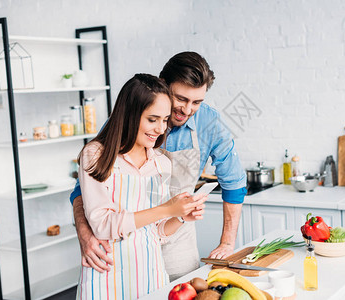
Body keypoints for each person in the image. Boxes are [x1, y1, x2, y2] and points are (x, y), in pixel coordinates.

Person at [71, 52, 247, 280]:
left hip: (175, 239)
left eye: (196, 102)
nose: (187, 110)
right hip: (120, 243)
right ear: (163, 85)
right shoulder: (124, 121)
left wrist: (227, 243)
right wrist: (85, 235)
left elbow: (234, 183)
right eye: (181, 99)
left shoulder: (208, 123)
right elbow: (83, 188)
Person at [75, 73, 206, 299]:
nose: (160, 129)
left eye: (165, 120)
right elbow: (102, 225)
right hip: (107, 277)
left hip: (150, 276)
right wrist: (167, 209)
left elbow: (155, 233)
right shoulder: (96, 155)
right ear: (129, 116)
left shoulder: (161, 163)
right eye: (152, 119)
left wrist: (182, 217)